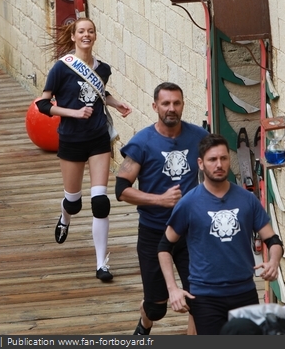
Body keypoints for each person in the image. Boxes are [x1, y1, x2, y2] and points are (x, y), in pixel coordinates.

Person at [35, 17, 132, 282]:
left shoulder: (103, 69)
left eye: (90, 31)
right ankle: (65, 216)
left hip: (98, 138)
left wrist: (116, 103)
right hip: (71, 138)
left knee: (100, 202)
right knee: (75, 202)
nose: (86, 35)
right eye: (81, 31)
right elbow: (43, 105)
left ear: (95, 36)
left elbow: (100, 93)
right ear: (74, 36)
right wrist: (73, 113)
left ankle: (102, 263)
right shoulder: (61, 68)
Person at [158, 133, 284, 335]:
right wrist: (173, 288)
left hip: (244, 293)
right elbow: (164, 247)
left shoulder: (247, 200)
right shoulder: (188, 203)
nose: (219, 164)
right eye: (212, 159)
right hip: (206, 297)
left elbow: (273, 240)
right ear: (200, 163)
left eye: (223, 158)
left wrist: (274, 261)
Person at [116, 82, 208, 335]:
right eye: (166, 104)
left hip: (191, 233)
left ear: (183, 105)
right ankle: (144, 326)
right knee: (156, 307)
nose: (171, 109)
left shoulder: (199, 137)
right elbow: (121, 190)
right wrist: (160, 200)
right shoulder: (142, 143)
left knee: (199, 300)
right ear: (155, 106)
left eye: (176, 103)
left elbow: (215, 171)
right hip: (154, 233)